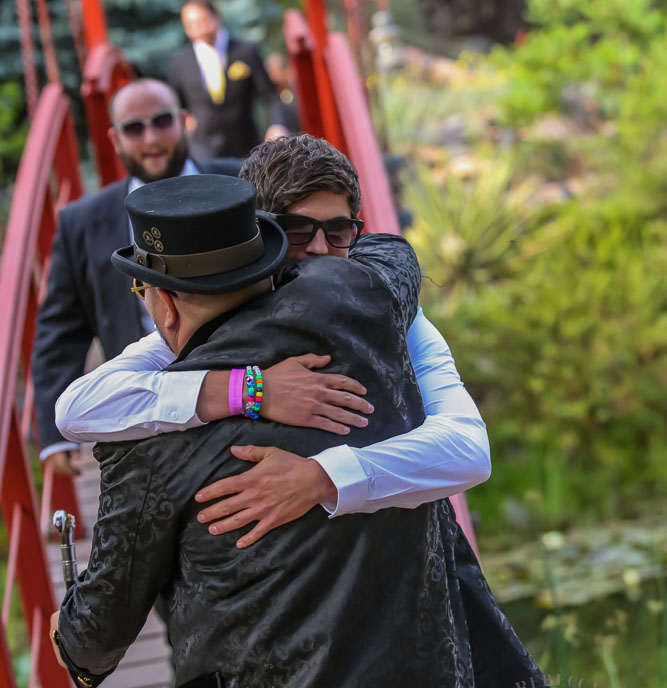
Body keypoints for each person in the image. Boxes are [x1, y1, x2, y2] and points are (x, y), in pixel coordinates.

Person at [54, 136, 542, 686]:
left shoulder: (380, 304)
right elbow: (76, 407)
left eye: (339, 232)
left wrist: (321, 478)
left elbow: (469, 450)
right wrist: (247, 389)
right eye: (299, 232)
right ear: (259, 239)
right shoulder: (375, 298)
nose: (322, 253)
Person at [30, 78, 246, 477]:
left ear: (184, 120)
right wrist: (53, 435)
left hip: (246, 375)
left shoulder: (242, 181)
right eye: (134, 128)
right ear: (114, 139)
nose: (151, 139)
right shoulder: (82, 221)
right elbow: (60, 327)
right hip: (148, 404)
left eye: (162, 121)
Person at [168, 0, 289, 159]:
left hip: (246, 148)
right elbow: (176, 104)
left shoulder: (245, 52)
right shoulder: (179, 63)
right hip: (203, 152)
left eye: (203, 20)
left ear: (216, 17)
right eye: (191, 24)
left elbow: (271, 96)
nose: (199, 27)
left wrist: (276, 125)